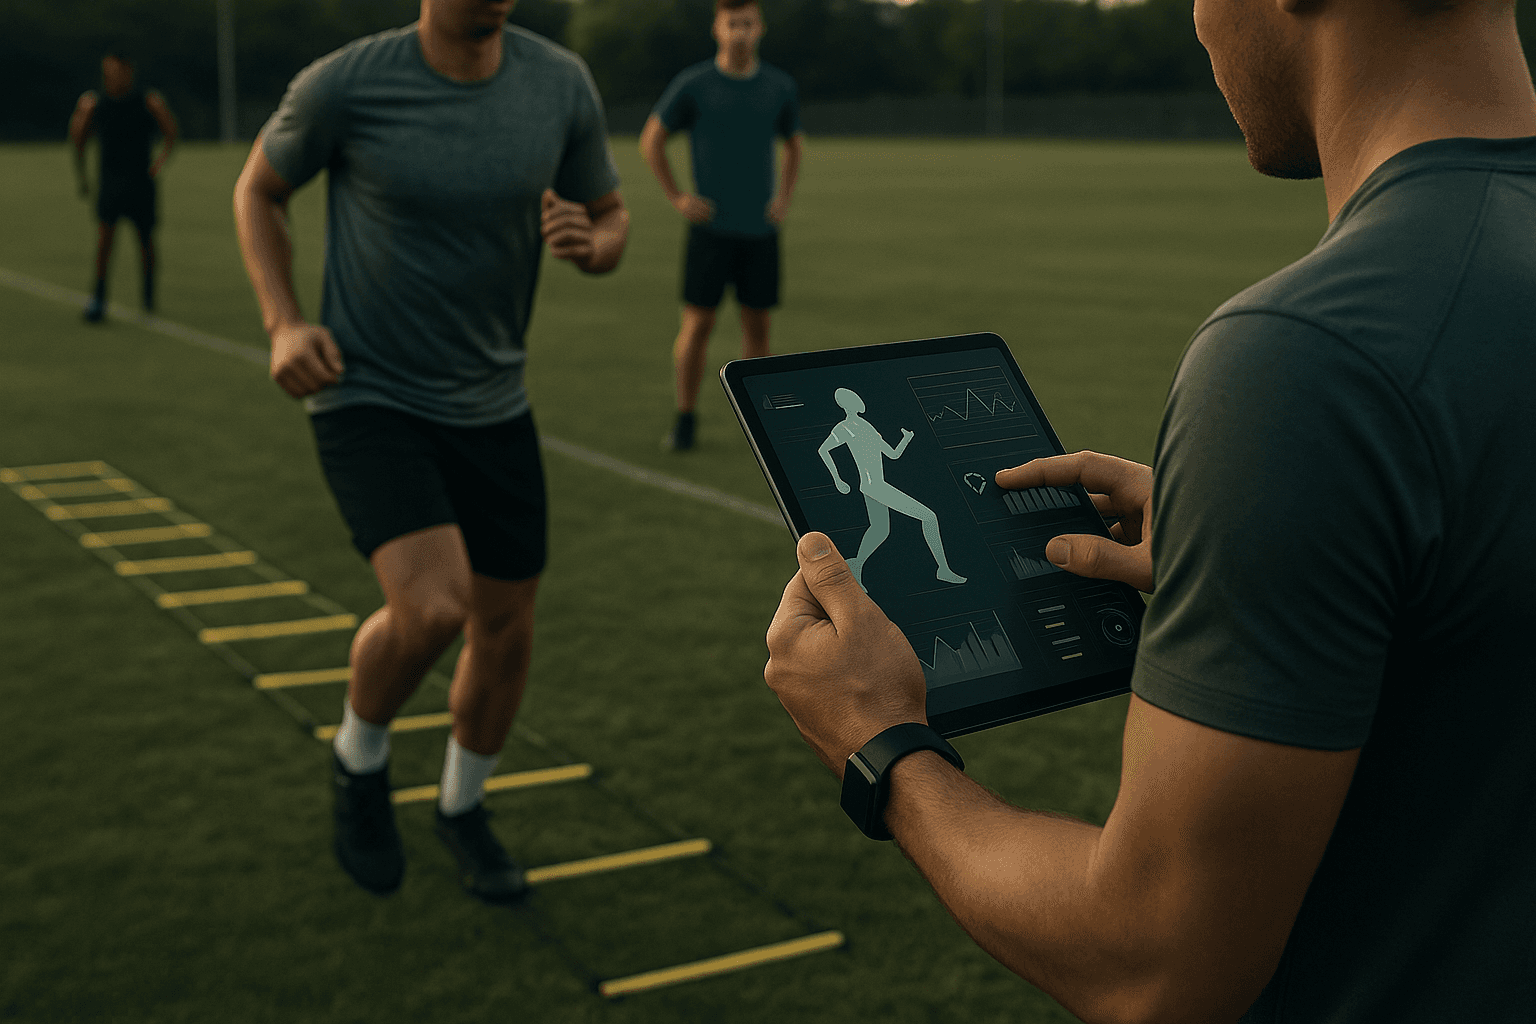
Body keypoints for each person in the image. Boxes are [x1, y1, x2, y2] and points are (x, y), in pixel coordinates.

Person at [762, 0, 1536, 1019]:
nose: (1196, 18)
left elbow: (1153, 960)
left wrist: (885, 747)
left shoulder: (1313, 356)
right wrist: (1312, 546)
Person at [232, 0, 629, 904]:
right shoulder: (346, 83)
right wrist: (284, 321)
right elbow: (257, 189)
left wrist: (593, 244)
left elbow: (609, 215)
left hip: (493, 401)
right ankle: (358, 758)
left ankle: (462, 809)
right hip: (366, 391)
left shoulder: (558, 82)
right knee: (435, 608)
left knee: (505, 628)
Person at [640, 0, 803, 451]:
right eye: (732, 23)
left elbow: (794, 144)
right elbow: (651, 139)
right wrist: (677, 196)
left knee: (758, 329)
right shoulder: (693, 85)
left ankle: (758, 423)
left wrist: (784, 198)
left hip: (760, 231)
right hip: (710, 231)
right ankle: (685, 417)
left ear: (760, 28)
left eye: (748, 23)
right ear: (717, 28)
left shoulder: (779, 86)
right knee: (697, 325)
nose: (740, 32)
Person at [69, 48, 178, 322]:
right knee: (105, 240)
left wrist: (160, 163)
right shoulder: (96, 105)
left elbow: (170, 132)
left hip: (141, 181)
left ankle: (149, 296)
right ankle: (98, 297)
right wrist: (82, 176)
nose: (113, 77)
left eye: (118, 71)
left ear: (129, 72)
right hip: (111, 182)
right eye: (108, 72)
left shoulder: (147, 102)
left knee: (146, 241)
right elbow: (78, 140)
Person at [818, 388, 965, 587]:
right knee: (929, 517)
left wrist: (905, 438)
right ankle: (943, 569)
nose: (858, 400)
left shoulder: (868, 427)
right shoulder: (844, 428)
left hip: (876, 486)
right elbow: (823, 450)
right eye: (853, 399)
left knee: (880, 530)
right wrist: (838, 479)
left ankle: (856, 564)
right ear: (846, 404)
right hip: (874, 487)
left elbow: (893, 455)